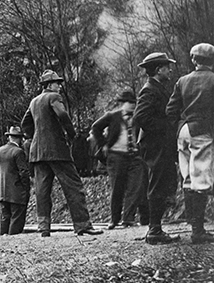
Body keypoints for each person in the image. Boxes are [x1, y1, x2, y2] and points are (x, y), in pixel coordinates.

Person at [21, 70, 102, 237]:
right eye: (57, 83)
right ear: (49, 85)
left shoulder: (34, 101)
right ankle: (82, 225)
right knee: (74, 186)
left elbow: (25, 124)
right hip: (56, 150)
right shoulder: (54, 97)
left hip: (37, 152)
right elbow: (62, 114)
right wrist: (72, 135)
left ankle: (44, 228)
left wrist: (35, 136)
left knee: (42, 191)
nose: (59, 86)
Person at [166, 43, 214, 244]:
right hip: (202, 131)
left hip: (183, 131)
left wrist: (180, 125)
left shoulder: (182, 81)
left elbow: (170, 111)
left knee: (187, 178)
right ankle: (198, 231)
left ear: (194, 60)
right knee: (201, 180)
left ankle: (194, 225)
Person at [133, 52, 180, 244]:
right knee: (157, 184)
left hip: (159, 143)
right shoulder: (150, 90)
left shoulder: (157, 87)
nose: (170, 69)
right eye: (167, 66)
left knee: (162, 182)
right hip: (156, 144)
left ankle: (155, 228)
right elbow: (140, 117)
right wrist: (166, 127)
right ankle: (154, 230)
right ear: (158, 69)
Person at [90, 90, 149, 228]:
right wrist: (103, 144)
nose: (132, 106)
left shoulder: (137, 117)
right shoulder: (112, 116)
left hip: (134, 156)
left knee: (135, 188)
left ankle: (128, 219)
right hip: (116, 156)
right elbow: (95, 127)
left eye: (134, 103)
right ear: (122, 103)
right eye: (130, 103)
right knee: (117, 188)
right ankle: (114, 220)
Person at [0, 126, 31, 235]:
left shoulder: (0, 150)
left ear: (9, 137)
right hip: (16, 191)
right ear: (20, 138)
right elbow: (24, 172)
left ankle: (2, 239)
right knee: (16, 219)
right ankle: (13, 241)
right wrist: (26, 188)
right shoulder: (18, 152)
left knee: (5, 217)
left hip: (3, 190)